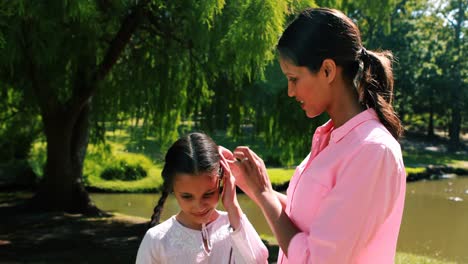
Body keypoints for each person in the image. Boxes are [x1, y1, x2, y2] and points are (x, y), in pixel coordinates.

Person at [221, 7, 406, 264]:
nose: (289, 91)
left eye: (294, 78)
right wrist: (252, 184)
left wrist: (264, 195)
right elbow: (305, 219)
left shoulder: (372, 151)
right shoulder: (330, 138)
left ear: (328, 71)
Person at [135, 132, 268, 264]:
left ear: (222, 181)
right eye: (187, 196)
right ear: (172, 189)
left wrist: (233, 205)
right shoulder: (156, 240)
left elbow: (258, 262)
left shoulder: (235, 226)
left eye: (208, 194)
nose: (199, 206)